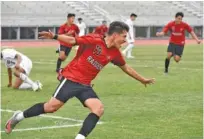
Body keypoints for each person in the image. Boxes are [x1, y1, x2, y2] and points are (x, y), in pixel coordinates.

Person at [5, 21, 155, 139]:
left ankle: (80, 137)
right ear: (115, 35)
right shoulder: (94, 39)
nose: (125, 40)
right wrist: (55, 36)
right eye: (124, 36)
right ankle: (18, 117)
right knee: (51, 108)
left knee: (98, 109)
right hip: (71, 79)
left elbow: (126, 68)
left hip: (85, 85)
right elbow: (72, 40)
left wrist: (142, 80)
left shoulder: (115, 53)